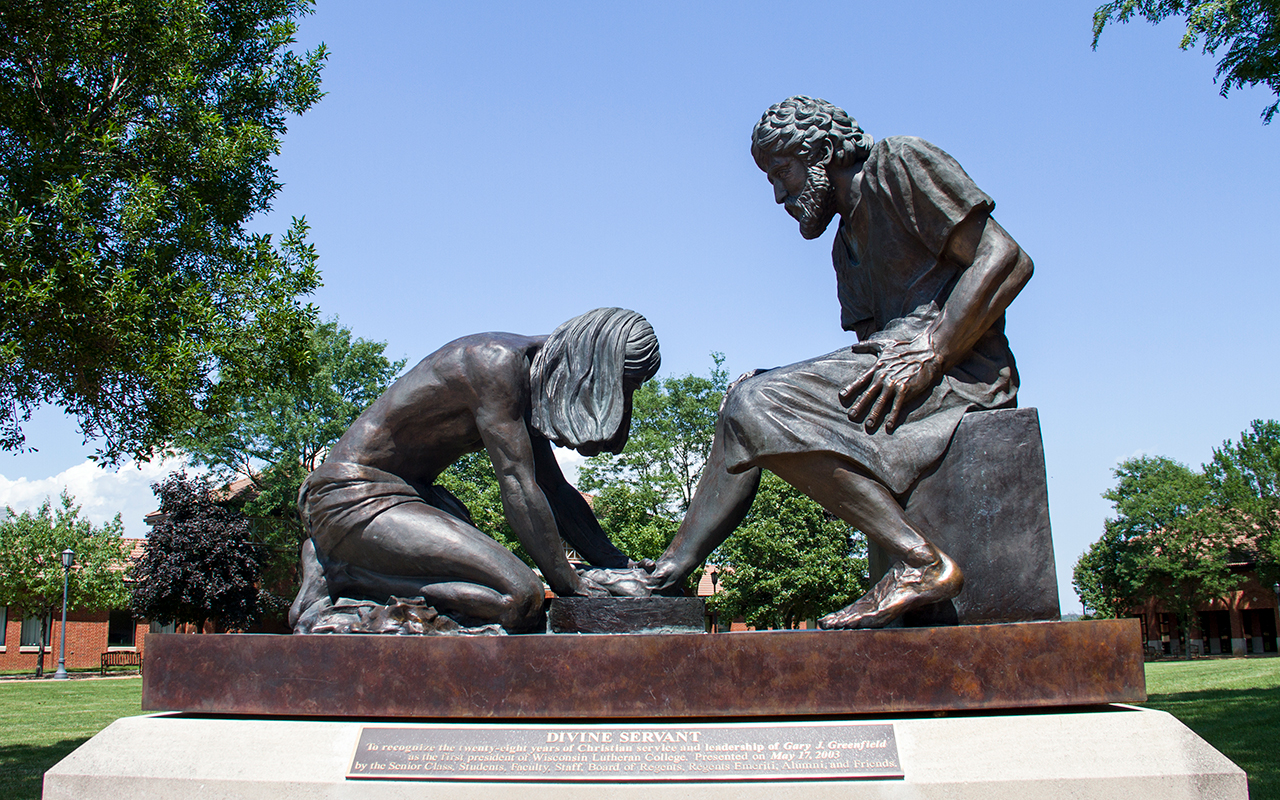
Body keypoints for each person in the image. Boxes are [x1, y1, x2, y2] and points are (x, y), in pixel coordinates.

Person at [647, 97, 1034, 628]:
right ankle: (669, 572)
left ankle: (921, 563)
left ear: (825, 152)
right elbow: (867, 351)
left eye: (782, 172)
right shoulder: (845, 247)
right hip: (898, 373)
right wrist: (776, 387)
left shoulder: (899, 164)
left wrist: (934, 348)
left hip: (961, 373)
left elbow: (1006, 258)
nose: (780, 195)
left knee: (754, 405)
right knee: (746, 404)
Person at [289, 307, 661, 634]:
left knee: (517, 596)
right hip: (351, 497)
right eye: (623, 385)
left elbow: (554, 489)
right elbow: (518, 483)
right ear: (593, 369)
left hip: (413, 499)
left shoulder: (533, 382)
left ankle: (351, 567)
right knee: (519, 597)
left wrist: (616, 564)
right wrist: (570, 583)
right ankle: (344, 572)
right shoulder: (495, 363)